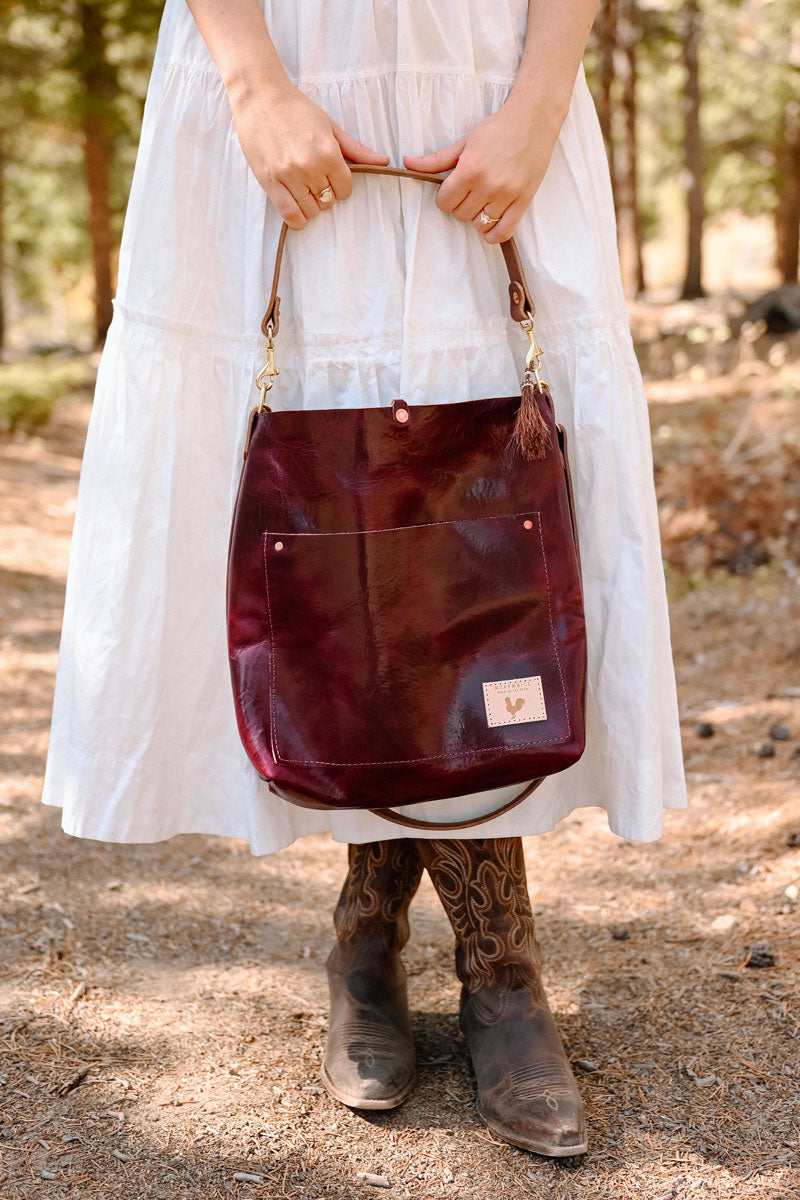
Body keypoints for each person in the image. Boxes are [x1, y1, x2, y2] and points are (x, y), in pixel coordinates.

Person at [41, 0, 687, 1157]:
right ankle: (431, 956)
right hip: (283, 63)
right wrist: (251, 80)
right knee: (336, 510)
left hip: (483, 74)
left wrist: (539, 97)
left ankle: (439, 949)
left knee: (465, 506)